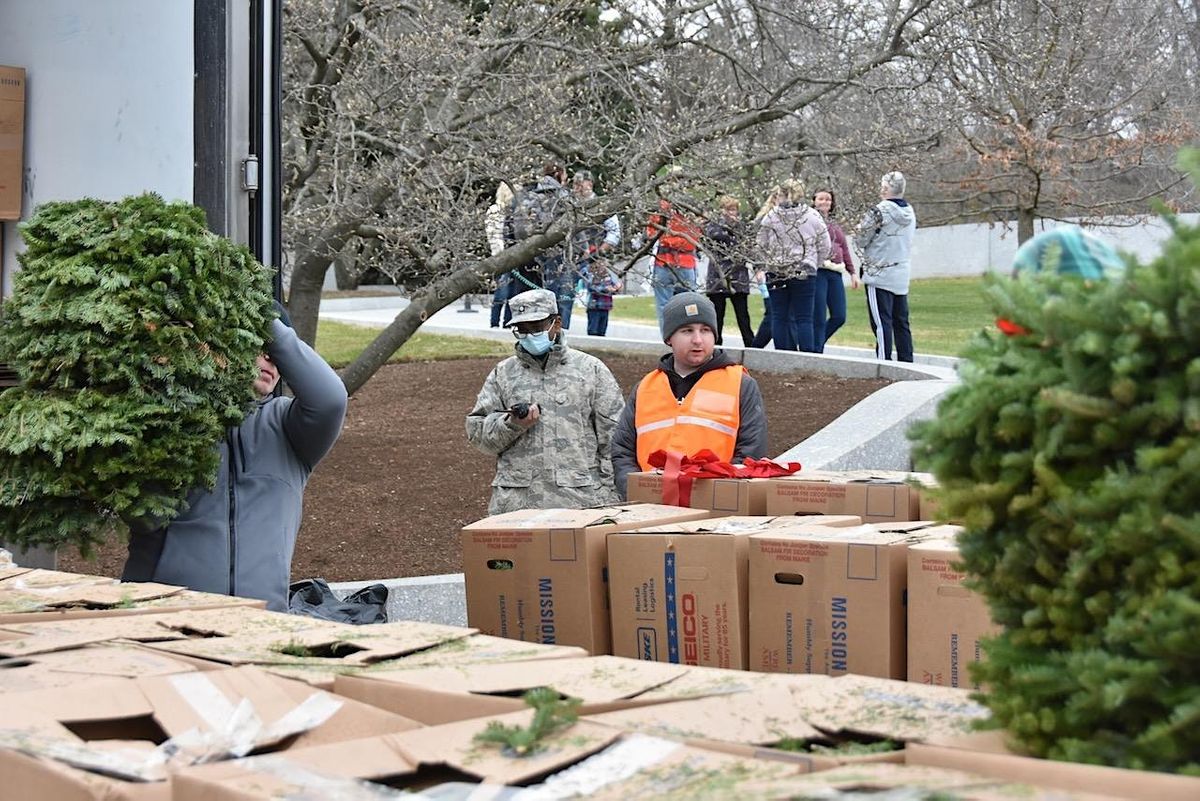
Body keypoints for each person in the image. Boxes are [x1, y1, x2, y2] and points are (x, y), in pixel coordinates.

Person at [122, 306, 349, 612]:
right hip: (160, 617)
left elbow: (331, 399)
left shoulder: (289, 429)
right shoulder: (173, 418)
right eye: (257, 346)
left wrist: (260, 316)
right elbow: (144, 515)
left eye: (276, 354)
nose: (270, 360)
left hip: (259, 624)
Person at [466, 288, 623, 514]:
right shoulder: (503, 373)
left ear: (556, 323)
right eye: (521, 329)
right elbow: (478, 434)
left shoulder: (591, 370)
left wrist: (609, 496)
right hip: (516, 506)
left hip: (579, 503)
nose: (529, 335)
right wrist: (512, 425)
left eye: (536, 327)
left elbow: (614, 439)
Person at [610, 292, 769, 499]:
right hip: (649, 506)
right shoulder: (646, 387)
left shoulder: (740, 384)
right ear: (669, 338)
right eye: (687, 331)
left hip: (714, 506)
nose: (697, 340)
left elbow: (751, 453)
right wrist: (636, 489)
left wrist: (715, 493)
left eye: (705, 331)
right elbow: (622, 450)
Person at [756, 177, 830, 352]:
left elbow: (760, 243)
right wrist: (814, 262)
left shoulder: (772, 216)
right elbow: (825, 244)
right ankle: (806, 356)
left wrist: (768, 261)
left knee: (779, 316)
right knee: (804, 317)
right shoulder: (812, 216)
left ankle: (782, 354)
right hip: (804, 270)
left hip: (777, 269)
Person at [856, 170, 917, 362]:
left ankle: (883, 363)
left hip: (879, 272)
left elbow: (861, 239)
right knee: (901, 321)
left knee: (882, 323)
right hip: (901, 272)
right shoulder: (910, 212)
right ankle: (907, 361)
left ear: (885, 188)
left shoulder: (877, 212)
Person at [703, 195, 756, 346]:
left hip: (738, 275)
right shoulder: (713, 226)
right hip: (718, 275)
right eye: (728, 209)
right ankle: (715, 344)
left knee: (742, 314)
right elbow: (713, 238)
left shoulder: (742, 227)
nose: (732, 213)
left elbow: (747, 245)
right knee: (717, 315)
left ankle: (749, 344)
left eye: (734, 210)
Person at [811, 188, 859, 351]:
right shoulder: (810, 220)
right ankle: (816, 350)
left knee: (839, 316)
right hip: (819, 271)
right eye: (821, 199)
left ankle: (816, 342)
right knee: (818, 316)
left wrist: (852, 273)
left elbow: (844, 248)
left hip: (836, 272)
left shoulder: (834, 224)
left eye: (828, 199)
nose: (825, 202)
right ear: (814, 201)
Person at [647, 196, 703, 325]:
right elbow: (694, 237)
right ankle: (683, 337)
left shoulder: (663, 210)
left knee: (667, 306)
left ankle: (672, 339)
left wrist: (669, 241)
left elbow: (653, 234)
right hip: (676, 262)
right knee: (688, 305)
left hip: (669, 261)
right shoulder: (691, 210)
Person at [486, 181, 515, 328]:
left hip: (513, 255)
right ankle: (495, 322)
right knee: (502, 292)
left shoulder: (514, 211)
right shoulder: (495, 210)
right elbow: (494, 237)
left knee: (512, 293)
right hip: (501, 256)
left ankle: (508, 322)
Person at [580, 257, 622, 337]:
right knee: (593, 330)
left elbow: (613, 285)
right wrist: (605, 289)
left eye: (604, 262)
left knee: (602, 331)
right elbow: (591, 287)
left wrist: (617, 288)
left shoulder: (607, 274)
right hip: (594, 306)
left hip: (605, 306)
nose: (602, 264)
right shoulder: (589, 273)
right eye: (600, 262)